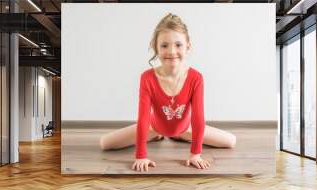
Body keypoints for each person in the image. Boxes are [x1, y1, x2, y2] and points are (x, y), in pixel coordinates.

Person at [100, 13, 236, 172]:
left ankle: (178, 135)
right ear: (156, 47)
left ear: (188, 46)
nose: (172, 51)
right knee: (105, 143)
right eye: (164, 45)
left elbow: (198, 117)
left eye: (178, 45)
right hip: (154, 127)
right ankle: (158, 135)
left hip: (186, 129)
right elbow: (143, 116)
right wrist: (141, 155)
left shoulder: (196, 78)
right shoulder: (147, 78)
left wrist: (195, 154)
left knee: (231, 141)